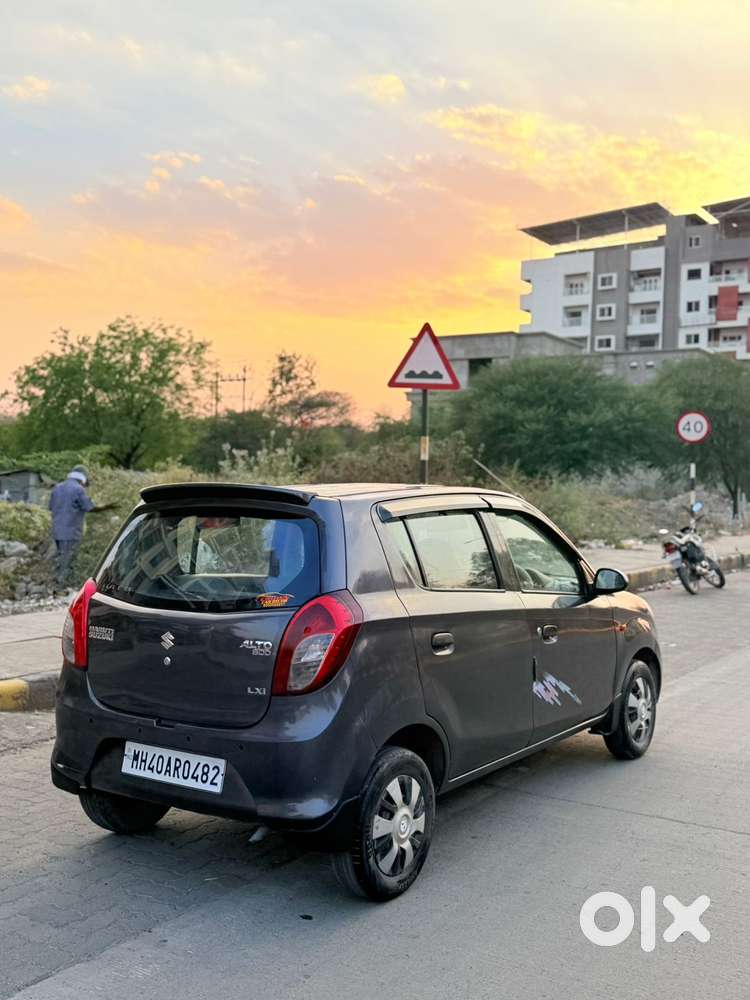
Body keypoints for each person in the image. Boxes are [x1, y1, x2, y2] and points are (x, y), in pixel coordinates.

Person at [49, 465, 97, 590]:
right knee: (68, 559)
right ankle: (61, 587)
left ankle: (57, 584)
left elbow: (50, 507)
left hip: (57, 530)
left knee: (61, 557)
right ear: (83, 478)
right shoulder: (78, 489)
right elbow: (89, 507)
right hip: (71, 531)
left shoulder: (57, 488)